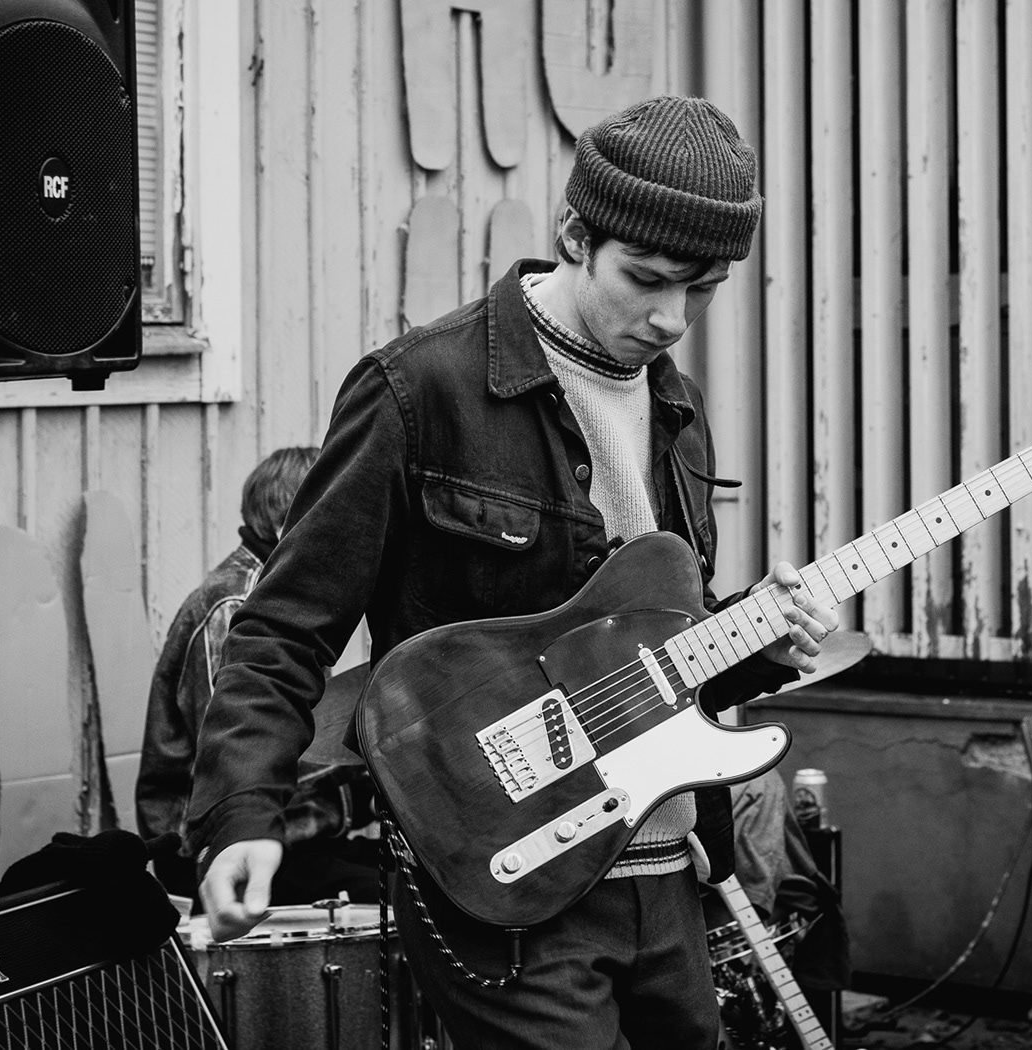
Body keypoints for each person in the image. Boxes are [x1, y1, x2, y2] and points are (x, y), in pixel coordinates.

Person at [185, 96, 838, 1050]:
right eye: (647, 279)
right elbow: (284, 625)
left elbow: (653, 658)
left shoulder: (677, 406)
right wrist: (243, 811)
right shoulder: (420, 389)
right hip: (505, 892)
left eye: (703, 290)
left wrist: (759, 642)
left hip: (666, 873)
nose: (671, 318)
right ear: (575, 234)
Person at [137, 446, 378, 905]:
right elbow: (238, 754)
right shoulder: (237, 605)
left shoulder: (284, 591)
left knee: (419, 877)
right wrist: (366, 780)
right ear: (290, 520)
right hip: (218, 853)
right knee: (393, 897)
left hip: (287, 838)